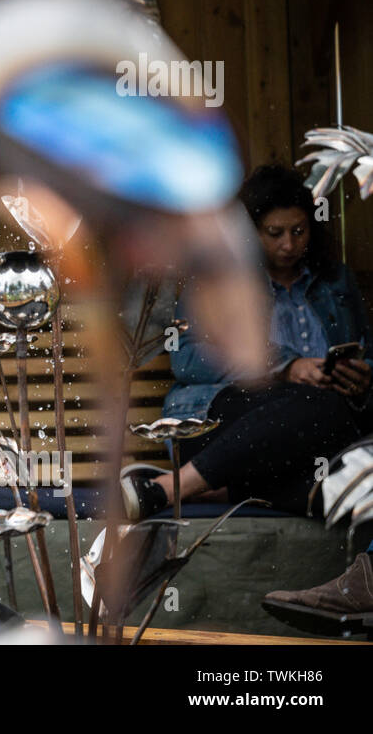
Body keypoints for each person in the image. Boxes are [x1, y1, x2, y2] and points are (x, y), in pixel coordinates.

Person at [125, 165, 373, 520]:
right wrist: (284, 367)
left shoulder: (336, 282)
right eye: (274, 233)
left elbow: (367, 351)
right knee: (323, 409)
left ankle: (215, 489)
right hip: (220, 422)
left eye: (299, 231)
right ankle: (172, 487)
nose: (289, 244)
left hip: (315, 435)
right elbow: (187, 358)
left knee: (343, 452)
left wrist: (362, 378)